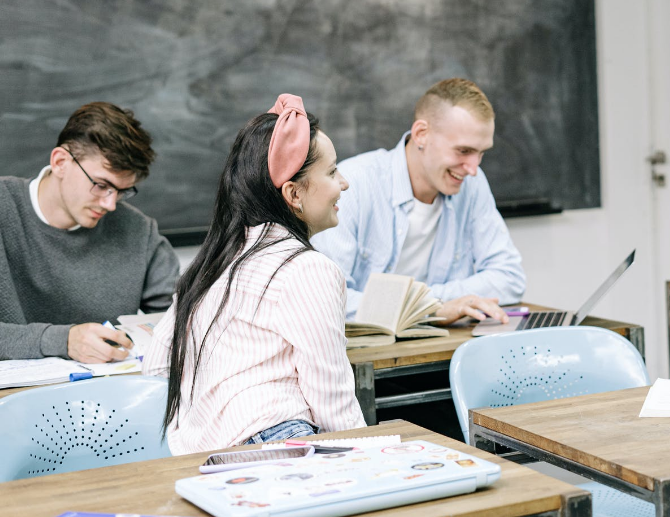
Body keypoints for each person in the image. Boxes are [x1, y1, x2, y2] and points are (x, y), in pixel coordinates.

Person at [143, 94, 365, 455]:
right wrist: (369, 461)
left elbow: (157, 366)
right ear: (293, 194)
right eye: (332, 171)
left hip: (199, 454)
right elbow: (332, 401)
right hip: (277, 441)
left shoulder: (215, 259)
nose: (345, 183)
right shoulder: (306, 269)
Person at [312, 78, 525, 325]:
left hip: (442, 348)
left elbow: (510, 278)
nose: (474, 169)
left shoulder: (473, 185)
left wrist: (431, 304)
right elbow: (331, 300)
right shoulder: (352, 185)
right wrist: (433, 308)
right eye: (464, 151)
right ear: (421, 134)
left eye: (482, 153)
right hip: (370, 358)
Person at [0, 102, 178, 363]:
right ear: (60, 162)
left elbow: (181, 320)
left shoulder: (139, 231)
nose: (111, 204)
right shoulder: (5, 208)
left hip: (106, 395)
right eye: (101, 185)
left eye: (122, 191)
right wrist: (64, 341)